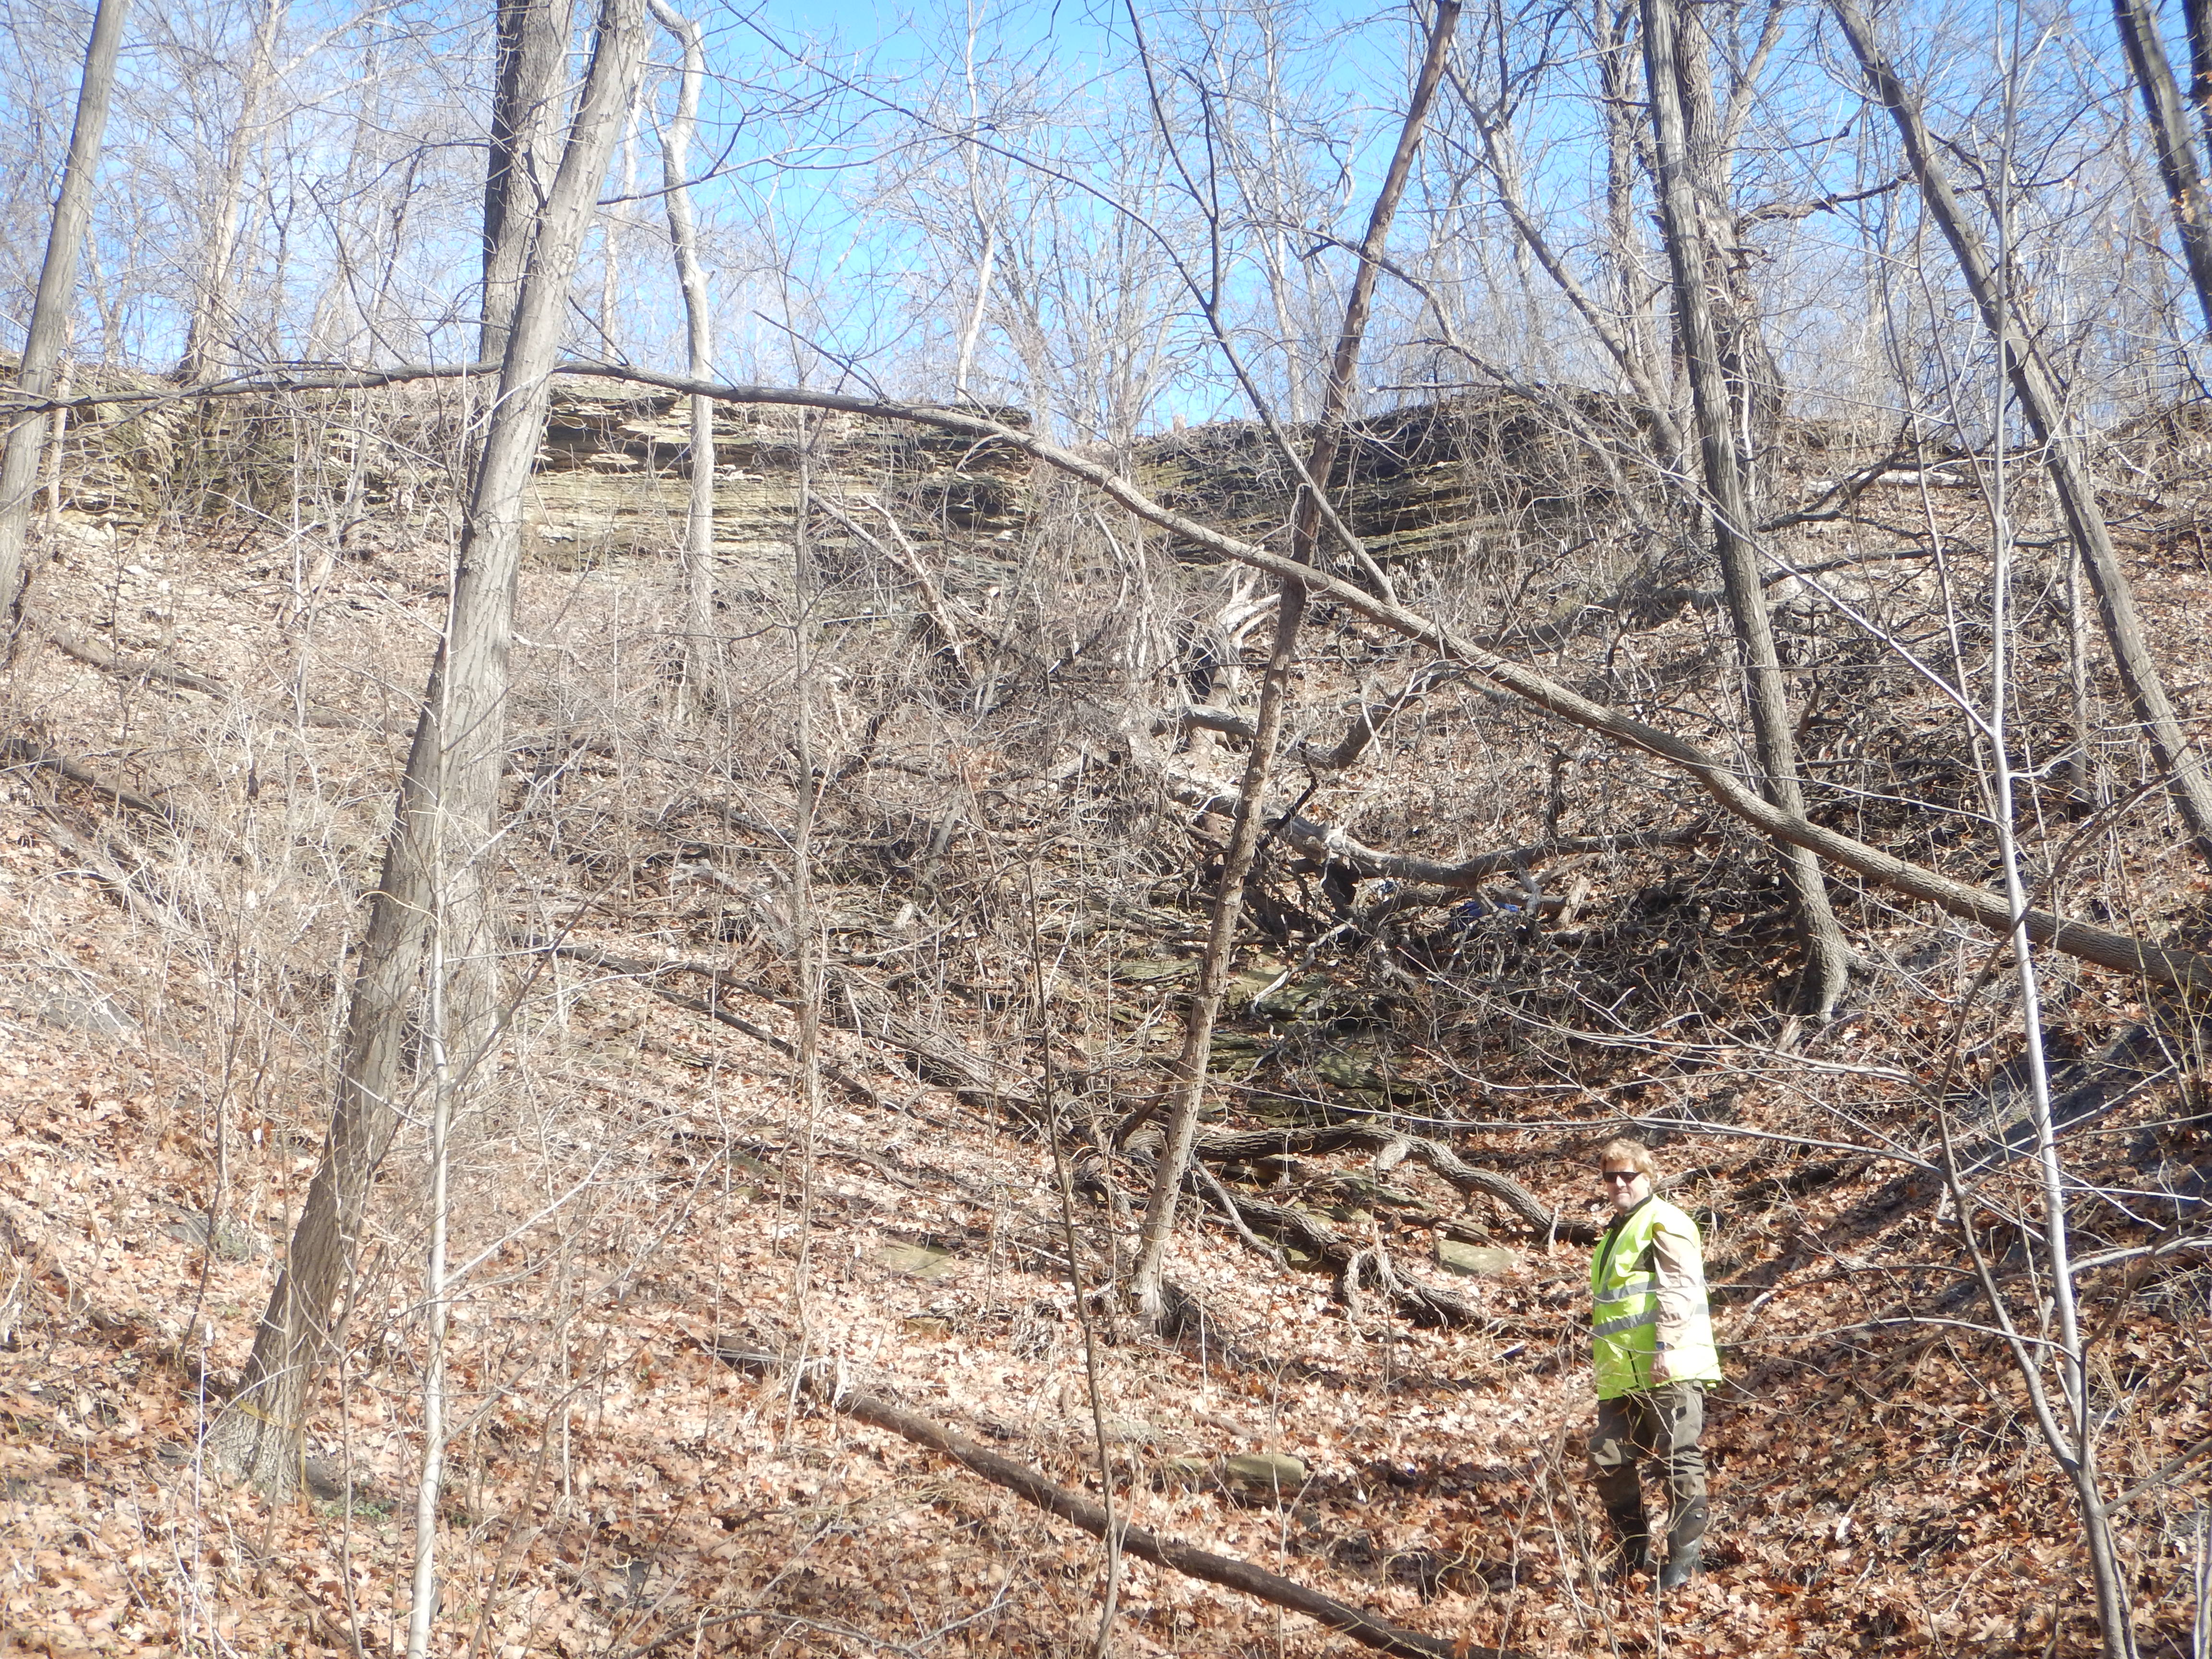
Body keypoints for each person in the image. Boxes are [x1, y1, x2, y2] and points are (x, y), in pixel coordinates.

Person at [1587, 1138, 1721, 1589]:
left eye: (1629, 1175)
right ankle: (1634, 1554)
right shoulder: (1617, 1230)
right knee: (1608, 1460)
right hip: (1622, 1374)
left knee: (1678, 1461)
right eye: (1611, 1176)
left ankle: (1684, 1563)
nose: (1619, 1183)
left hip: (1670, 1366)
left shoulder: (1665, 1220)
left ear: (1648, 1177)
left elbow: (1679, 1290)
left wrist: (1665, 1347)